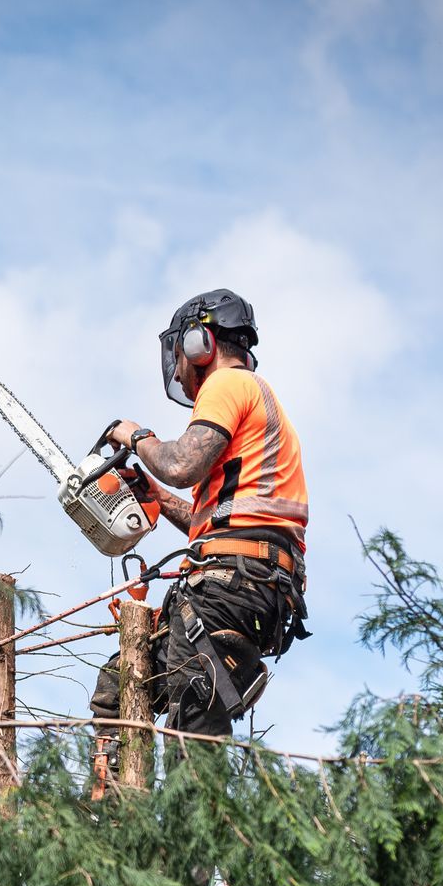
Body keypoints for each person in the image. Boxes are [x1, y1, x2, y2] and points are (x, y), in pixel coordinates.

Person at [89, 288, 310, 743]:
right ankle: (115, 809)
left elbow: (180, 464)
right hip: (241, 580)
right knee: (120, 687)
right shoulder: (254, 399)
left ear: (198, 344)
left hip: (232, 585)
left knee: (193, 729)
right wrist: (155, 494)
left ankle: (192, 813)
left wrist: (134, 436)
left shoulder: (228, 384)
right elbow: (214, 518)